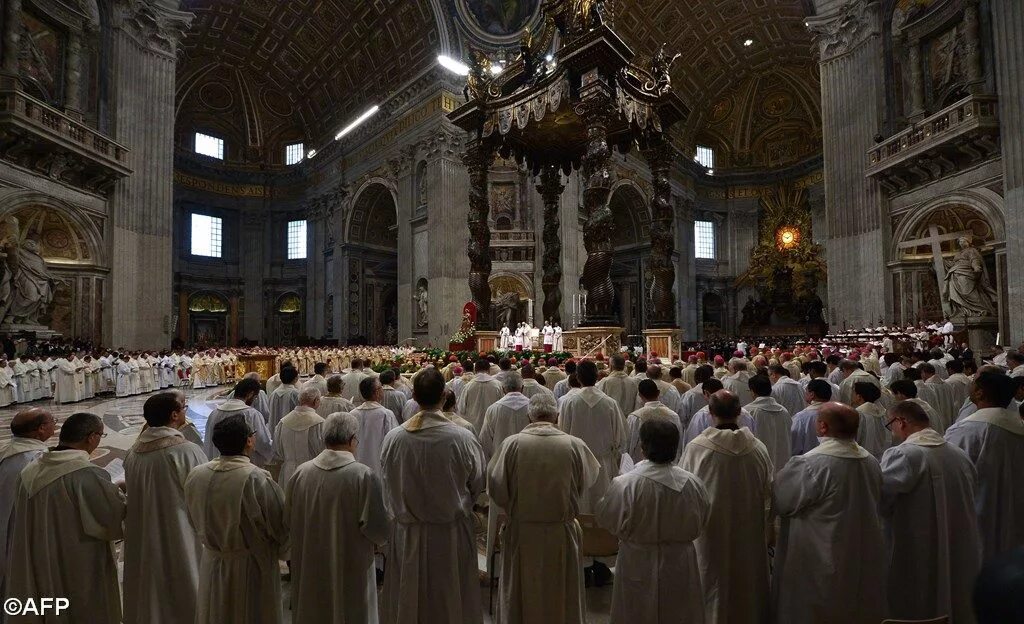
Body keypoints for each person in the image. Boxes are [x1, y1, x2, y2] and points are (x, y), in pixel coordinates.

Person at [379, 367, 487, 624]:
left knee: (409, 600)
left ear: (413, 396)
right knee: (451, 600)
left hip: (409, 533)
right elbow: (478, 481)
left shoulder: (395, 438)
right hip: (449, 532)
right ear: (445, 394)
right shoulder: (462, 437)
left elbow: (386, 481)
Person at [488, 393, 599, 623]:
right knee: (560, 595)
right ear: (556, 416)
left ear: (529, 417)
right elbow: (586, 481)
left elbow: (496, 489)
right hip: (560, 533)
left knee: (521, 594)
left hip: (522, 532)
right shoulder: (574, 445)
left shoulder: (512, 444)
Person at [7, 412, 126, 624]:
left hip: (38, 555)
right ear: (91, 438)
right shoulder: (85, 473)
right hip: (76, 559)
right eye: (101, 435)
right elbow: (111, 518)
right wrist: (121, 493)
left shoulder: (31, 469)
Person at [772, 402, 885, 624]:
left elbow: (782, 501)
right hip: (861, 552)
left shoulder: (812, 463)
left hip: (819, 553)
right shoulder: (871, 461)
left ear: (822, 427)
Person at [597, 419, 710, 623]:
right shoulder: (693, 484)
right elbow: (703, 519)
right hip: (679, 560)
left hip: (638, 559)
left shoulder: (626, 484)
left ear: (642, 447)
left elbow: (607, 518)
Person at [285, 412, 390, 624]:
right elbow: (378, 529)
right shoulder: (363, 475)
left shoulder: (301, 473)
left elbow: (287, 521)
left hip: (310, 562)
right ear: (352, 440)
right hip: (352, 564)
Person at [881, 400, 981, 622]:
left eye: (891, 425)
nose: (893, 432)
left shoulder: (903, 454)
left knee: (918, 596)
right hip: (958, 540)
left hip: (916, 543)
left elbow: (881, 498)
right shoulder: (957, 453)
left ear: (902, 421)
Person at [185, 414, 288, 624]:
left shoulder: (196, 475)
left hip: (212, 561)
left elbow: (192, 516)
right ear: (249, 441)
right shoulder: (255, 478)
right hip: (250, 566)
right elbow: (280, 525)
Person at [680, 390, 772, 623]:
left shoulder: (697, 448)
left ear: (710, 413)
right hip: (749, 529)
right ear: (740, 412)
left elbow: (685, 491)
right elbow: (769, 490)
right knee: (746, 580)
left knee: (712, 578)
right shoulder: (758, 448)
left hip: (711, 531)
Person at [123, 393, 207, 624]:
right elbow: (203, 492)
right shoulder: (184, 450)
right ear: (174, 414)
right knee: (184, 576)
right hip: (179, 528)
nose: (185, 411)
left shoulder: (134, 451)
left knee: (150, 577)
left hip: (142, 527)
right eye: (183, 408)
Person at [945, 371, 1024, 561]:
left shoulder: (968, 430)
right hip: (1015, 506)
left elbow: (950, 472)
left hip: (978, 506)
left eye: (974, 383)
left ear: (980, 393)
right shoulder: (1018, 426)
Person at [0, 408, 55, 597]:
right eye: (52, 421)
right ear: (40, 429)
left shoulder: (5, 451)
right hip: (26, 526)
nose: (55, 424)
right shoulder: (38, 459)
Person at [558, 359, 626, 514]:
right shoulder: (610, 403)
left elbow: (562, 433)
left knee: (579, 508)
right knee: (602, 508)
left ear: (578, 378)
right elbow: (620, 438)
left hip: (577, 462)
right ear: (597, 377)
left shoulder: (569, 402)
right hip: (603, 463)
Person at [203, 377, 273, 466]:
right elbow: (263, 442)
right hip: (244, 467)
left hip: (219, 464)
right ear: (250, 394)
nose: (254, 400)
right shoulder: (251, 414)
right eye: (255, 397)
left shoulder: (214, 413)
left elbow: (208, 441)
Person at [272, 386, 326, 486]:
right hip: (312, 472)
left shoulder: (283, 422)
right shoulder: (319, 423)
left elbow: (278, 449)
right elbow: (322, 450)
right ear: (316, 401)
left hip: (289, 471)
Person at [682, 378, 756, 446]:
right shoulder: (746, 414)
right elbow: (753, 436)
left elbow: (692, 442)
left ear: (706, 393)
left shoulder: (701, 416)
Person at [349, 376, 399, 475]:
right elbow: (393, 443)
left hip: (355, 466)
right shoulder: (386, 414)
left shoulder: (352, 414)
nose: (383, 390)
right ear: (376, 392)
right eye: (381, 387)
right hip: (378, 466)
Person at [625, 379, 683, 462]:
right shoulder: (673, 415)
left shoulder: (635, 417)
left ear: (640, 396)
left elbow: (629, 444)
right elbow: (679, 442)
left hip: (641, 466)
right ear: (658, 393)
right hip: (668, 464)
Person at [746, 373, 792, 473]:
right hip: (782, 466)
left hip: (758, 466)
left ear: (753, 392)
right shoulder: (784, 411)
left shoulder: (748, 412)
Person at [457, 359, 504, 430]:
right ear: (489, 370)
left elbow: (461, 408)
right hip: (492, 424)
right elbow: (502, 406)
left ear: (475, 370)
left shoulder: (468, 386)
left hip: (473, 425)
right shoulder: (497, 385)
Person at [790, 379, 831, 455]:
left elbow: (794, 446)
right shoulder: (837, 414)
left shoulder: (801, 417)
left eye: (806, 391)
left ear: (812, 394)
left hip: (807, 462)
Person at [269, 366, 301, 432]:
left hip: (275, 428)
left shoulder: (274, 393)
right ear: (295, 378)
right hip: (290, 429)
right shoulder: (295, 393)